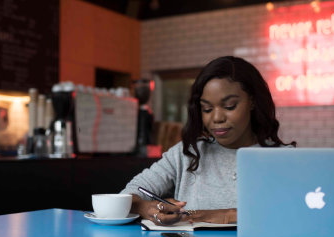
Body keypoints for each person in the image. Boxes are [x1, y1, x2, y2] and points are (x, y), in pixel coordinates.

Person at [121, 56, 295, 226]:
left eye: (229, 106)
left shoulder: (283, 159)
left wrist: (223, 215)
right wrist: (146, 207)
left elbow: (295, 215)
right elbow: (128, 195)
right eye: (207, 109)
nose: (217, 118)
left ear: (252, 102)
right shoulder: (186, 154)